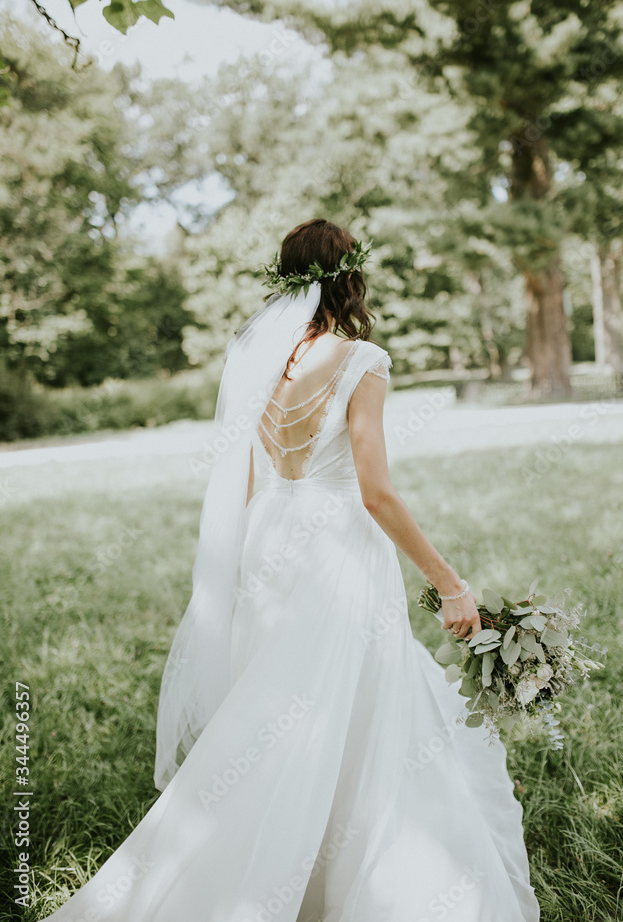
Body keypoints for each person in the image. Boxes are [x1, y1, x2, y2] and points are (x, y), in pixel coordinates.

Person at [40, 218, 540, 922]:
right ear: (350, 276)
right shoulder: (362, 359)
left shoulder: (258, 359)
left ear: (286, 280)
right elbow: (376, 492)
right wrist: (449, 581)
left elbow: (245, 483)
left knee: (284, 705)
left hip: (270, 544)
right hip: (339, 543)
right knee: (354, 697)